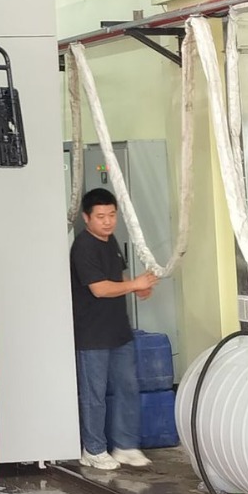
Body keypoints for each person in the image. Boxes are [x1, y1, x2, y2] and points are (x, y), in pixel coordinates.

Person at [70, 187, 158, 470]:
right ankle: (93, 449)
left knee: (128, 387)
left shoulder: (111, 241)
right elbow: (99, 289)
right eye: (100, 216)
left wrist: (136, 289)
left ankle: (125, 445)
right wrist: (135, 285)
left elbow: (117, 277)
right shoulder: (83, 247)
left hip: (118, 330)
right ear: (86, 218)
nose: (107, 221)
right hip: (92, 334)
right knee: (94, 393)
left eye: (111, 215)